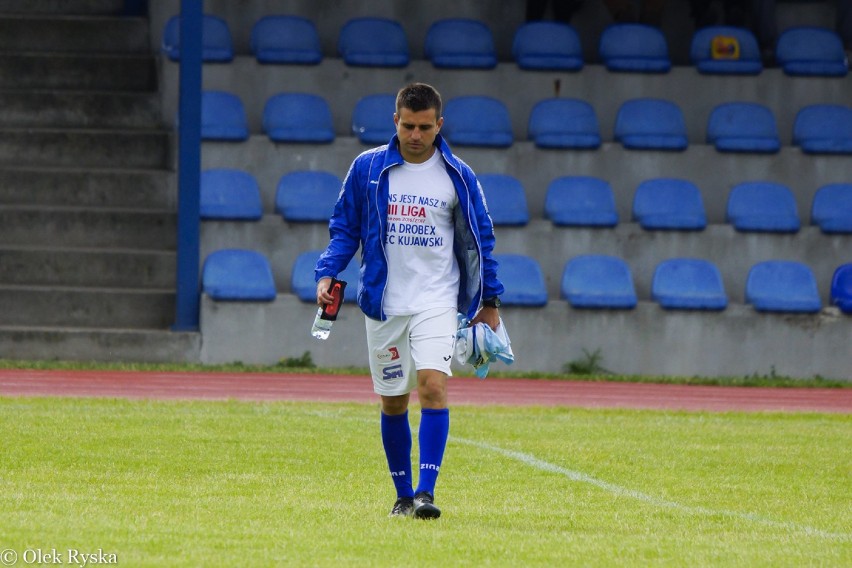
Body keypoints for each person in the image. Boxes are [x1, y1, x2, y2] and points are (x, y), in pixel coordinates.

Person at [314, 82, 504, 519]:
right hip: (384, 302)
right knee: (393, 400)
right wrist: (327, 271)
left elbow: (482, 240)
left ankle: (425, 494)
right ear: (394, 122)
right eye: (407, 126)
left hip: (438, 300)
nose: (415, 135)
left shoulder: (459, 175)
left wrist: (489, 299)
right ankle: (401, 496)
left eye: (424, 127)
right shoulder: (367, 169)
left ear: (440, 125)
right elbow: (345, 228)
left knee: (433, 387)